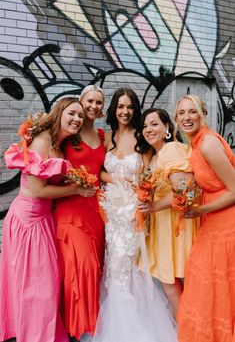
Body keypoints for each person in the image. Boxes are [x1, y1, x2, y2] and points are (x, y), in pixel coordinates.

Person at [93, 88, 178, 342]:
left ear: (135, 109)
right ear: (114, 109)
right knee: (113, 268)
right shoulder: (107, 138)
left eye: (129, 107)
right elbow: (98, 172)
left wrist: (137, 187)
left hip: (133, 214)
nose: (125, 112)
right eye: (120, 107)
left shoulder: (143, 139)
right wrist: (115, 178)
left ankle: (129, 330)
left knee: (127, 269)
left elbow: (149, 176)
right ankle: (120, 324)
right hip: (111, 214)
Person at [0, 97, 85, 342]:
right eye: (72, 113)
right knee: (36, 291)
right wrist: (76, 190)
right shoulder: (42, 141)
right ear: (59, 112)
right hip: (27, 222)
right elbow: (38, 190)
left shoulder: (60, 145)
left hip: (44, 220)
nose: (77, 119)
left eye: (80, 116)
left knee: (47, 287)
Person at [174, 95, 235, 342]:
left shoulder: (208, 144)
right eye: (182, 113)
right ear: (176, 119)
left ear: (203, 114)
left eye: (192, 112)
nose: (187, 118)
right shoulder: (196, 144)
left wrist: (199, 210)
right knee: (209, 290)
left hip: (226, 226)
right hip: (212, 224)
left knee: (216, 289)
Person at [135, 107, 200, 319]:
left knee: (175, 285)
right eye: (145, 125)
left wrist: (152, 207)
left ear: (167, 128)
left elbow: (183, 193)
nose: (148, 129)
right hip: (164, 225)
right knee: (172, 284)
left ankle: (187, 333)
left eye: (154, 124)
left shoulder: (171, 149)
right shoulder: (156, 155)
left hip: (175, 226)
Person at [55, 85, 106, 342]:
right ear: (81, 102)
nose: (94, 106)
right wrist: (73, 187)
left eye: (99, 102)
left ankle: (86, 329)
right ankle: (75, 330)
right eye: (90, 101)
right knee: (79, 268)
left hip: (95, 213)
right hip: (70, 211)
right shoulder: (66, 136)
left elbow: (100, 171)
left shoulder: (102, 135)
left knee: (94, 270)